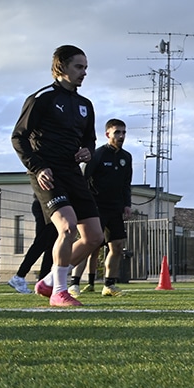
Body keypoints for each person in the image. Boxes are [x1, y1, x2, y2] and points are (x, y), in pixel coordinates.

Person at [10, 45, 104, 307]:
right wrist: (38, 167)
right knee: (67, 227)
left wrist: (88, 151)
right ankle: (59, 292)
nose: (84, 73)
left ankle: (50, 280)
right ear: (61, 66)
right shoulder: (41, 98)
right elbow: (18, 137)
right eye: (79, 66)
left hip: (73, 173)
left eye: (86, 68)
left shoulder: (85, 105)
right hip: (47, 174)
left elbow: (89, 139)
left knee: (95, 237)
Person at [69, 118, 132, 297]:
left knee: (117, 246)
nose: (121, 136)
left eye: (123, 132)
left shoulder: (126, 157)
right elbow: (83, 179)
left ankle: (109, 285)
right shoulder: (97, 155)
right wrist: (83, 202)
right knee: (88, 243)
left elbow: (126, 183)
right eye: (117, 132)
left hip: (115, 208)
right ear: (108, 134)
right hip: (95, 207)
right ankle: (74, 284)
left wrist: (127, 204)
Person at [7, 196, 56, 294]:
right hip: (45, 205)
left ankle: (42, 282)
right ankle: (19, 276)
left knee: (51, 245)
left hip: (52, 205)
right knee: (41, 243)